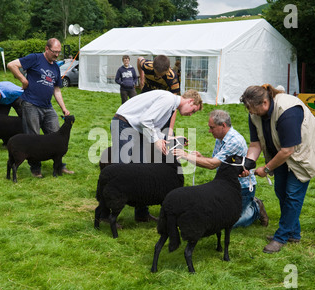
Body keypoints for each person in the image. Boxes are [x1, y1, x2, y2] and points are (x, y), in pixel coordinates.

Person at [240, 84, 315, 254]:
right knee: (281, 191)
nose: (251, 113)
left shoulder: (288, 111)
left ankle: (281, 237)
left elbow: (288, 150)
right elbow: (255, 144)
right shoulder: (254, 115)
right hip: (279, 153)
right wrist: (247, 164)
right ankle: (293, 233)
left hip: (303, 153)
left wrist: (265, 169)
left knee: (293, 194)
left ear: (265, 102)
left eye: (253, 109)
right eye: (248, 109)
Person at [107, 89, 203, 222]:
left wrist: (171, 138)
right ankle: (106, 214)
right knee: (121, 170)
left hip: (135, 128)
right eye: (193, 110)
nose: (191, 114)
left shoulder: (171, 105)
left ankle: (141, 214)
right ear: (190, 101)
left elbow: (152, 127)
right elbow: (145, 121)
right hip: (124, 124)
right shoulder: (168, 100)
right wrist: (157, 141)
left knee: (142, 170)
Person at [172, 109, 268, 228]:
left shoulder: (234, 141)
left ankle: (255, 208)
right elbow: (215, 162)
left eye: (212, 127)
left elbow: (212, 164)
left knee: (228, 223)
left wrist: (186, 156)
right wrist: (200, 157)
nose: (209, 130)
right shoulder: (220, 137)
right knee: (216, 216)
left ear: (223, 125)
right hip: (225, 187)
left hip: (241, 189)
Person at [7, 38, 73, 178]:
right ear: (47, 49)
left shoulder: (55, 67)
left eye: (59, 52)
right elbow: (11, 65)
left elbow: (57, 90)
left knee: (57, 136)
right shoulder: (35, 58)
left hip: (47, 107)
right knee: (33, 138)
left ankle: (59, 166)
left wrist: (63, 108)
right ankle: (36, 169)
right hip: (30, 104)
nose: (57, 55)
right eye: (54, 52)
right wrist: (23, 80)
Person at [137, 55, 180, 136]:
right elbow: (139, 59)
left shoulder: (172, 78)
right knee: (140, 119)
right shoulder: (147, 65)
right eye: (156, 74)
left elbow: (174, 105)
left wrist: (170, 129)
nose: (158, 77)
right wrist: (142, 78)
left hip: (163, 99)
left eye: (161, 75)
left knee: (164, 129)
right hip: (147, 93)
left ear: (168, 69)